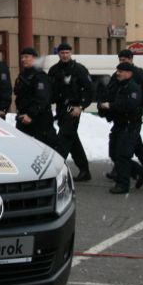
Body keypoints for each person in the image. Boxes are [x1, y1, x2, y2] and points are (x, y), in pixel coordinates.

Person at [104, 50, 143, 180]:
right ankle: (141, 166)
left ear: (131, 59)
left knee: (126, 144)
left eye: (126, 60)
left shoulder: (139, 74)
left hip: (133, 112)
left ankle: (133, 168)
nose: (123, 62)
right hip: (119, 114)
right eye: (121, 60)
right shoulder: (117, 75)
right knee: (132, 142)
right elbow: (110, 92)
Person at [48, 43, 94, 181]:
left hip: (73, 108)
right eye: (62, 53)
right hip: (61, 108)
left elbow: (89, 89)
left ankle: (54, 170)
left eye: (67, 53)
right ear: (59, 54)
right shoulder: (54, 70)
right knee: (72, 140)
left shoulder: (79, 69)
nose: (65, 55)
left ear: (71, 53)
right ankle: (84, 170)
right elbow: (50, 90)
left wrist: (81, 106)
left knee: (64, 138)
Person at [98, 62, 143, 194]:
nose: (118, 73)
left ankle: (122, 184)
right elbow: (107, 98)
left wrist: (111, 106)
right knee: (114, 153)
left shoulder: (133, 87)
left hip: (130, 125)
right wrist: (102, 106)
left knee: (123, 155)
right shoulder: (117, 86)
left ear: (129, 73)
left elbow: (129, 104)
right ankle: (139, 171)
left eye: (121, 71)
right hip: (119, 124)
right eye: (118, 70)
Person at [14, 47, 57, 150]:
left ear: (34, 58)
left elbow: (42, 98)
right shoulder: (22, 75)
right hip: (24, 118)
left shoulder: (39, 76)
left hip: (39, 120)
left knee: (44, 149)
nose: (23, 59)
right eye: (22, 57)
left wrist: (31, 114)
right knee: (23, 149)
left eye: (26, 57)